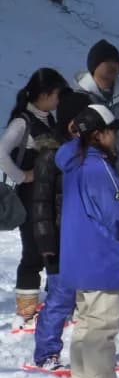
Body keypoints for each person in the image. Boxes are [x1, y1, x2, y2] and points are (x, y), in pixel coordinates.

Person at [56, 105, 119, 378]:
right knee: (102, 325)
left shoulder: (73, 162)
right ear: (98, 134)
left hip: (78, 257)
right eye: (111, 131)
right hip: (102, 256)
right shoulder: (98, 167)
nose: (116, 137)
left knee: (86, 321)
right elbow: (117, 213)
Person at [27, 91, 91, 370]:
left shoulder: (88, 152)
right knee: (60, 298)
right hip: (58, 239)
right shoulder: (50, 155)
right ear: (71, 122)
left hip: (83, 237)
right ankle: (46, 351)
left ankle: (88, 354)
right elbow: (40, 203)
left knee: (89, 300)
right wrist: (46, 243)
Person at [2, 67, 67, 324]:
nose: (58, 101)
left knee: (53, 246)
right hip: (30, 197)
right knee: (32, 251)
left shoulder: (50, 119)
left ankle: (56, 304)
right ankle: (27, 310)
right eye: (56, 95)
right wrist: (22, 176)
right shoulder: (23, 122)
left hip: (51, 196)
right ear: (45, 94)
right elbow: (1, 153)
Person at [74, 39, 119, 193]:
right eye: (106, 61)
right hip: (91, 184)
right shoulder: (78, 98)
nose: (113, 65)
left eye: (116, 62)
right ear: (94, 65)